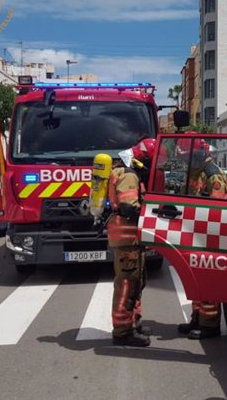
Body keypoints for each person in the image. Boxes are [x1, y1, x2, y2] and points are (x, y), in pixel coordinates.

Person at [100, 138, 157, 347]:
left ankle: (133, 321)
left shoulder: (126, 171)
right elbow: (128, 207)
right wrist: (151, 210)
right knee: (127, 283)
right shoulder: (129, 175)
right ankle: (122, 331)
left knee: (136, 281)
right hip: (126, 237)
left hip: (131, 238)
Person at [175, 135, 227, 340]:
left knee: (208, 279)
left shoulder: (212, 175)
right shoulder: (195, 172)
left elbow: (218, 211)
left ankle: (210, 324)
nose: (184, 160)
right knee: (196, 280)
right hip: (194, 235)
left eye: (187, 156)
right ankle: (197, 318)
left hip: (208, 236)